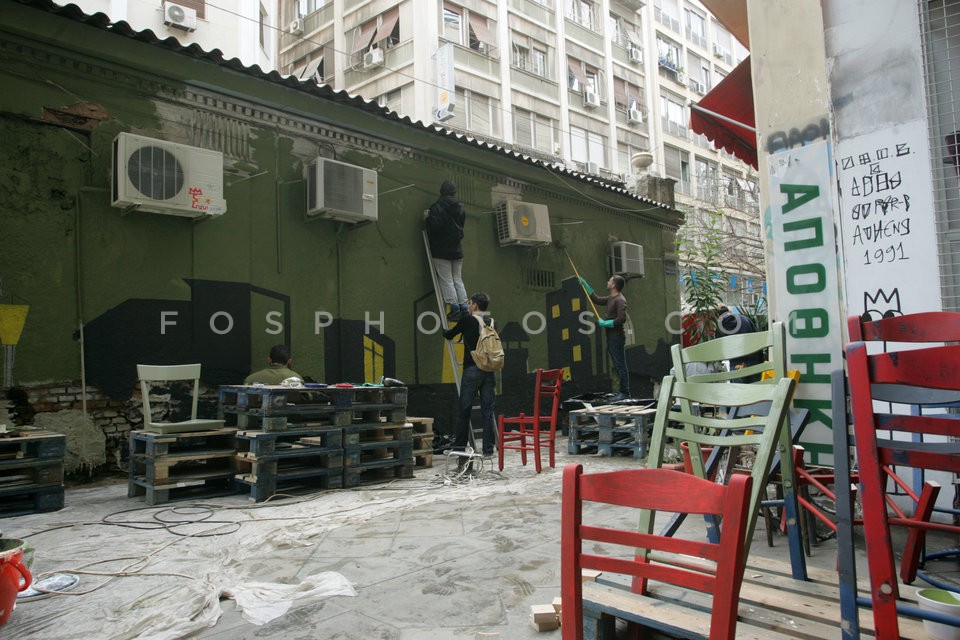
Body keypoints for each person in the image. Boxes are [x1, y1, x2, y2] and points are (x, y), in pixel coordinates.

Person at [442, 292, 496, 458]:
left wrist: (444, 329)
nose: (468, 305)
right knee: (488, 411)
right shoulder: (491, 322)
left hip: (472, 369)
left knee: (464, 410)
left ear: (474, 306)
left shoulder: (467, 320)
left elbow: (449, 334)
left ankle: (459, 449)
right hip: (489, 369)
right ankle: (488, 450)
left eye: (470, 303)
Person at [580, 275, 630, 400]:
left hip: (617, 337)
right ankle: (622, 392)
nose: (607, 281)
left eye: (610, 280)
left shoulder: (620, 299)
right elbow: (596, 299)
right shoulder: (611, 298)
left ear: (613, 285)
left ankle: (625, 393)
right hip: (612, 337)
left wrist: (607, 323)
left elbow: (622, 318)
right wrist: (586, 285)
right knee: (618, 365)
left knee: (620, 365)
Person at [424, 180, 468, 320]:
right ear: (454, 192)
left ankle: (454, 310)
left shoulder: (437, 207)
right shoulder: (460, 208)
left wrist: (427, 219)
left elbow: (434, 228)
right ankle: (464, 309)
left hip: (441, 250)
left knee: (446, 280)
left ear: (441, 191)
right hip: (456, 249)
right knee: (457, 279)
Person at [717, 305, 761, 382]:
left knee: (739, 391)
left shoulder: (720, 327)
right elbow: (757, 339)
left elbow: (719, 350)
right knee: (755, 391)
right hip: (753, 362)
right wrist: (760, 362)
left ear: (718, 316)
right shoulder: (746, 319)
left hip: (736, 364)